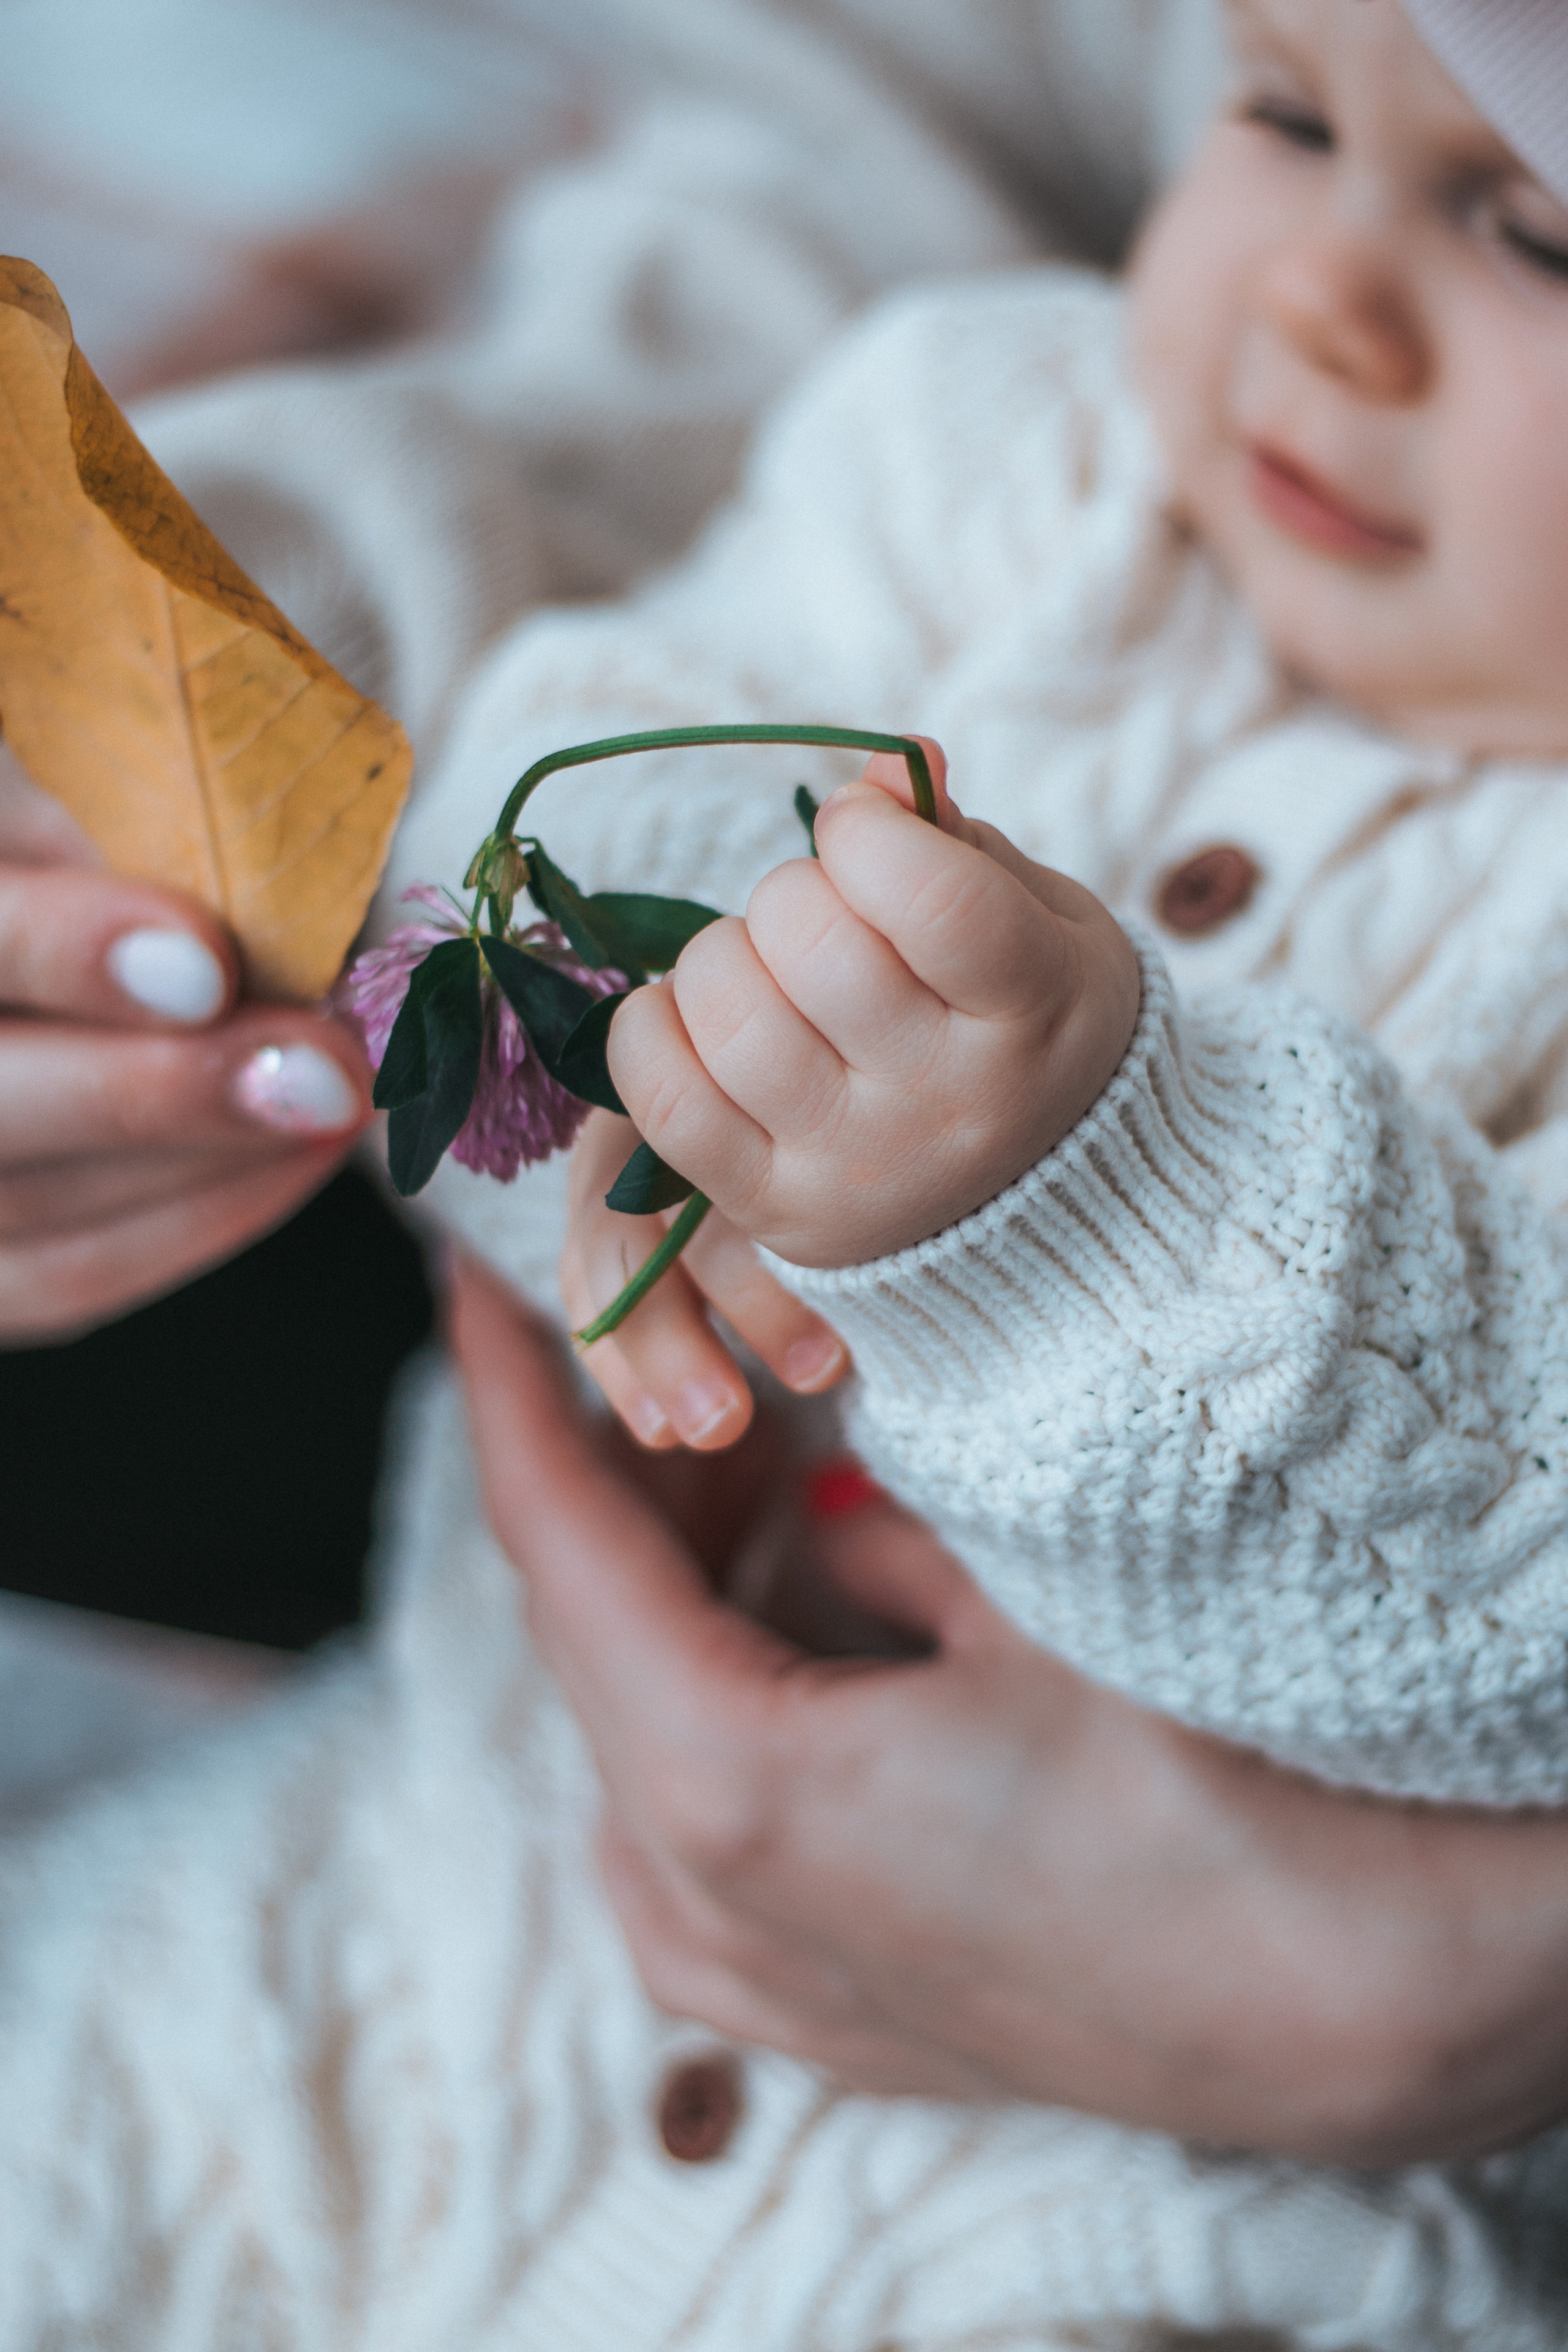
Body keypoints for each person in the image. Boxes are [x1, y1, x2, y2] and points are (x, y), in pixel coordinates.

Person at [4, 2, 1568, 2345]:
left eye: (1532, 234)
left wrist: (1084, 1213)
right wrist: (669, 1030)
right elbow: (571, 740)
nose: (1321, 296)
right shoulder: (983, 443)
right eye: (1276, 106)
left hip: (1143, 2219)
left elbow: (1506, 1617)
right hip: (429, 1899)